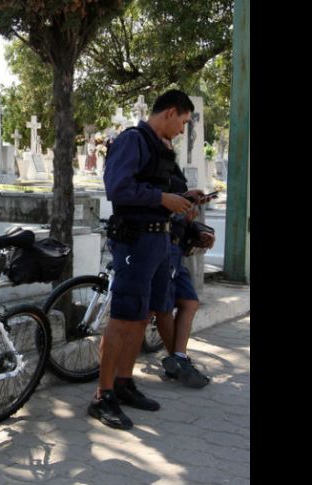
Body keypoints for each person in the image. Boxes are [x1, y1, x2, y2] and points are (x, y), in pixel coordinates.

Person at [89, 89, 197, 430]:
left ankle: (123, 383)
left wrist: (183, 197)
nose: (182, 130)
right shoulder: (132, 140)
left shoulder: (161, 146)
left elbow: (161, 189)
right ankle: (102, 396)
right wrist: (163, 198)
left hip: (159, 240)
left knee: (141, 316)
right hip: (135, 239)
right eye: (182, 121)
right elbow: (117, 189)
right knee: (123, 317)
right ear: (170, 112)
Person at [153, 168, 214, 388]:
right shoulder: (150, 166)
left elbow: (180, 215)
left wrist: (196, 229)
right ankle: (178, 362)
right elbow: (159, 211)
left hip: (176, 249)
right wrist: (183, 212)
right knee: (164, 307)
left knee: (190, 302)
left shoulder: (170, 165)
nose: (180, 131)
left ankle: (178, 357)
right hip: (163, 246)